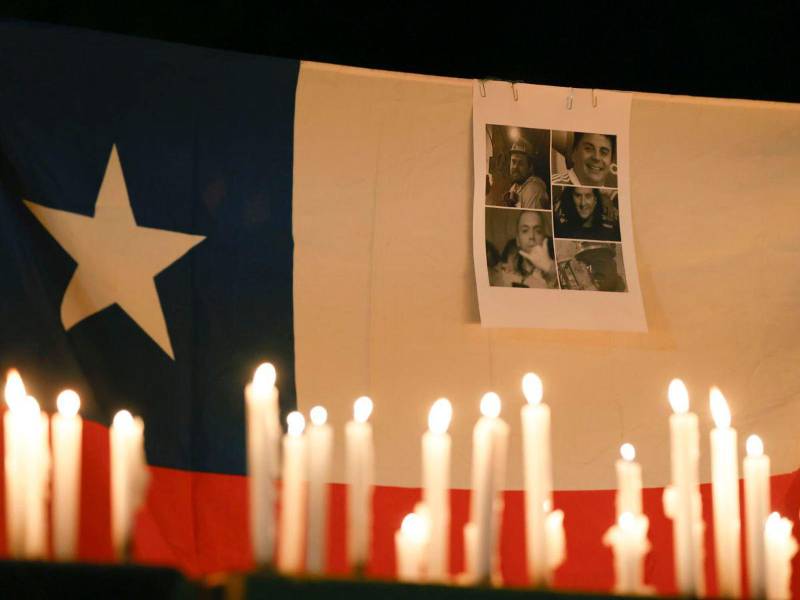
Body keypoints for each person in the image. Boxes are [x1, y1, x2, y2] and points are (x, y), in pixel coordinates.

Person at [490, 211, 557, 288]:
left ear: (544, 239)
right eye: (525, 231)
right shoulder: (503, 276)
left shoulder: (554, 269)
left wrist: (549, 268)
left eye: (538, 231)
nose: (531, 236)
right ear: (518, 240)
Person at [553, 186, 620, 241]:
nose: (583, 203)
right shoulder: (562, 231)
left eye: (588, 196)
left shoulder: (610, 232)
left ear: (595, 200)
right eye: (578, 196)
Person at [501, 138, 550, 209]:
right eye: (513, 162)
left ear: (530, 167)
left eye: (520, 163)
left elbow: (529, 216)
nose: (515, 167)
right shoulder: (514, 187)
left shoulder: (534, 189)